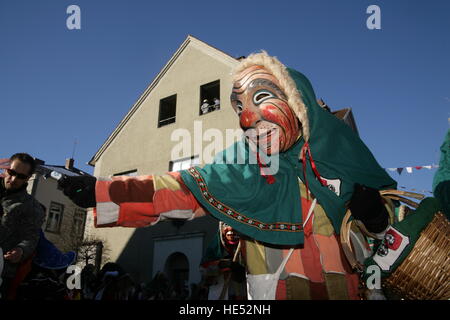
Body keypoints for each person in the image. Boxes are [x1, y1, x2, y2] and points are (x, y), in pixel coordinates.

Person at [59, 52, 396, 300]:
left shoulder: (343, 152)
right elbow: (184, 188)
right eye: (238, 108)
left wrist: (378, 218)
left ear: (298, 101)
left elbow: (395, 230)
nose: (246, 118)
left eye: (261, 98)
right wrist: (105, 192)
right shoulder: (241, 162)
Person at [0, 153, 45, 299]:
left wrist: (20, 250)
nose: (13, 179)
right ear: (6, 169)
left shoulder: (32, 208)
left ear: (28, 178)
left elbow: (31, 238)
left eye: (21, 176)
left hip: (2, 271)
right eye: (11, 172)